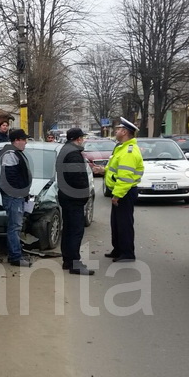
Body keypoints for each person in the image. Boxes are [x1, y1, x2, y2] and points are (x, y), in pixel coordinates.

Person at [93, 118, 143, 262]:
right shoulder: (121, 148)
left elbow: (125, 177)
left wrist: (117, 195)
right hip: (121, 191)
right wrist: (103, 170)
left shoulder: (128, 151)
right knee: (116, 223)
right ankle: (118, 249)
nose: (116, 131)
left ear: (125, 132)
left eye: (119, 129)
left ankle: (127, 253)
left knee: (124, 224)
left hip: (124, 192)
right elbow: (116, 170)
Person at [56, 128, 94, 275]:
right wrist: (83, 193)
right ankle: (74, 263)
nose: (83, 140)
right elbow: (76, 178)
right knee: (75, 231)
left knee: (68, 230)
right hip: (73, 198)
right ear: (78, 139)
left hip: (67, 196)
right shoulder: (72, 154)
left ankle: (67, 260)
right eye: (82, 138)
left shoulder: (66, 150)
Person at [0, 128, 32, 267]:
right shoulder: (10, 154)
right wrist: (21, 192)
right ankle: (15, 257)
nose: (25, 143)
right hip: (13, 196)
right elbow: (11, 178)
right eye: (24, 140)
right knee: (14, 227)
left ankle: (16, 253)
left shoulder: (15, 152)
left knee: (16, 226)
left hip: (17, 196)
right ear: (17, 140)